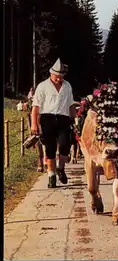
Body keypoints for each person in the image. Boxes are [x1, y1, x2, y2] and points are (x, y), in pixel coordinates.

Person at [31, 59, 76, 188]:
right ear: (51, 74)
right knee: (50, 148)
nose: (59, 79)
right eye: (57, 77)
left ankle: (60, 168)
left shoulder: (67, 86)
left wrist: (76, 118)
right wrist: (34, 124)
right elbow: (35, 107)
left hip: (63, 118)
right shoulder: (42, 86)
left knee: (64, 145)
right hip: (47, 118)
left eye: (61, 77)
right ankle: (51, 176)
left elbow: (71, 104)